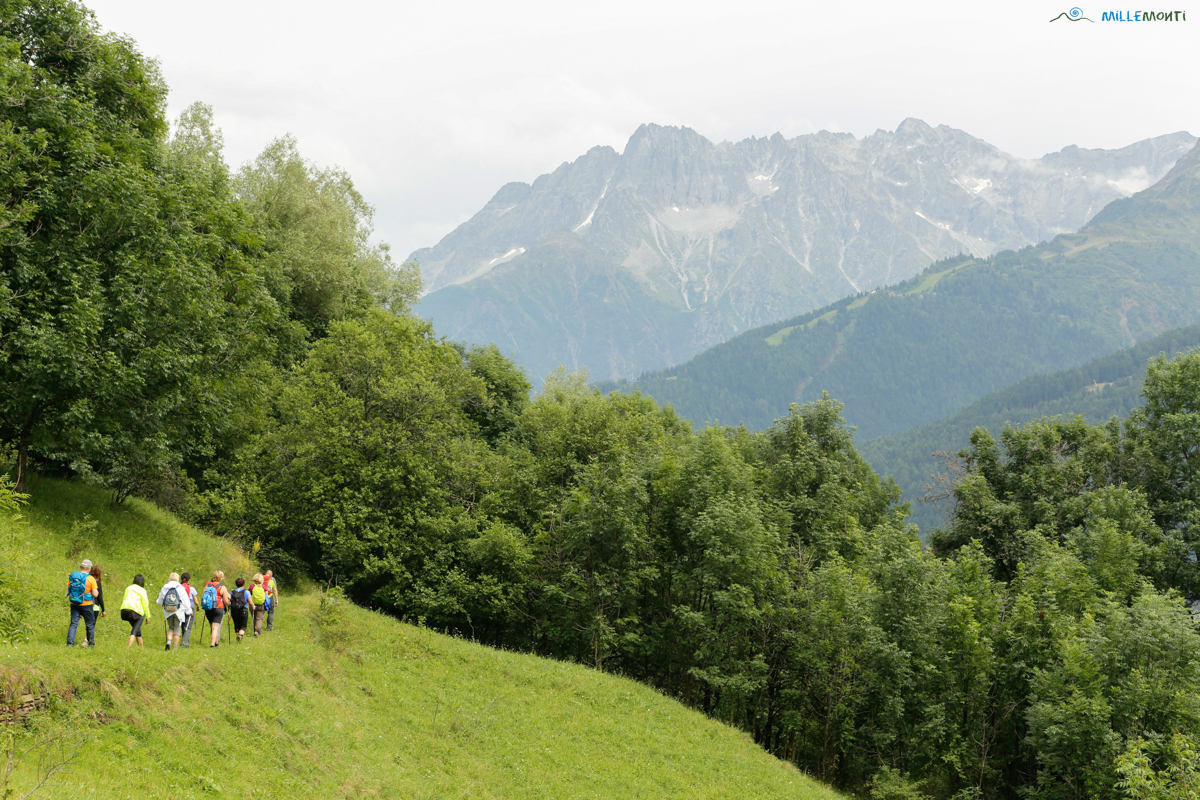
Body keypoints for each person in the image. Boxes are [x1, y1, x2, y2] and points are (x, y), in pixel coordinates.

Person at [66, 558, 99, 647]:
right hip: (87, 604)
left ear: (81, 567)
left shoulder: (73, 576)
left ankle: (69, 643)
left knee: (73, 624)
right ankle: (91, 643)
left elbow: (68, 591)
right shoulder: (90, 578)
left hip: (74, 603)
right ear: (89, 568)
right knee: (89, 624)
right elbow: (95, 594)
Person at [156, 572, 192, 651]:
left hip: (168, 610)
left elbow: (159, 601)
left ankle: (169, 641)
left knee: (171, 627)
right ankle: (175, 648)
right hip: (178, 611)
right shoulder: (180, 587)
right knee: (177, 629)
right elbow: (186, 601)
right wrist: (189, 611)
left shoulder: (165, 587)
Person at [202, 571, 231, 648]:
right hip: (219, 608)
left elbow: (202, 597)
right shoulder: (222, 587)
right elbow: (226, 601)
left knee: (212, 626)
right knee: (215, 628)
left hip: (208, 608)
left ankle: (216, 643)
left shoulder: (208, 586)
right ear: (221, 578)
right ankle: (212, 645)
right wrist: (229, 603)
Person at [120, 574, 150, 649]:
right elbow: (145, 604)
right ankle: (127, 649)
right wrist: (148, 616)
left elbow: (124, 598)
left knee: (137, 630)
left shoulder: (128, 588)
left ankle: (141, 649)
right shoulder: (142, 590)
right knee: (134, 631)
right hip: (135, 612)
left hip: (124, 610)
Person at [228, 577, 253, 643]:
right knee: (243, 625)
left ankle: (238, 640)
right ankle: (240, 635)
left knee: (236, 624)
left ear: (236, 584)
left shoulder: (232, 592)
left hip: (234, 610)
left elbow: (229, 600)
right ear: (243, 584)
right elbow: (250, 602)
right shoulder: (246, 592)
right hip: (243, 609)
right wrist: (253, 607)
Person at [179, 572, 199, 648]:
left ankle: (186, 642)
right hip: (190, 608)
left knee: (183, 625)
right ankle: (184, 643)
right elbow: (196, 601)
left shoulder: (179, 587)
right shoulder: (192, 588)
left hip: (181, 608)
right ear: (188, 580)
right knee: (188, 627)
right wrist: (198, 606)